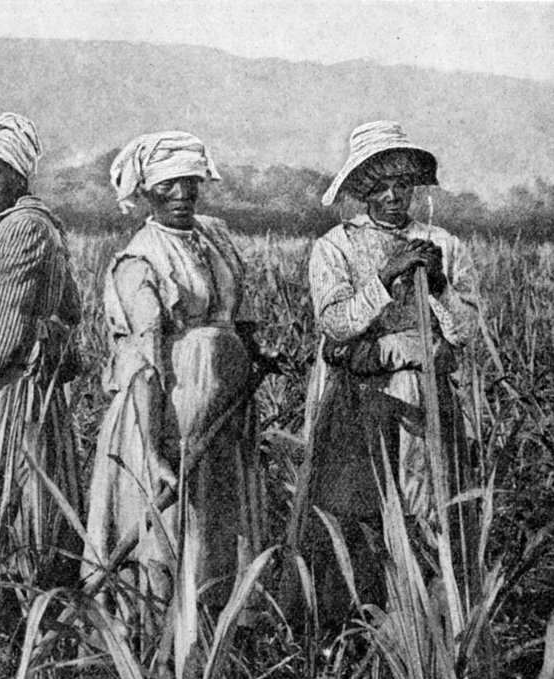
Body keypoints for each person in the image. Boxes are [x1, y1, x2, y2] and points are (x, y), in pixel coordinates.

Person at [83, 131, 263, 618]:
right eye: (167, 186)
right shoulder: (139, 260)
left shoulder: (214, 235)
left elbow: (236, 312)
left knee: (222, 522)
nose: (183, 194)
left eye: (190, 182)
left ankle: (222, 626)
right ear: (145, 191)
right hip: (169, 413)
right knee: (176, 531)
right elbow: (143, 365)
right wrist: (154, 452)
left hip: (226, 407)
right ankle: (163, 633)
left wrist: (251, 352)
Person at [306, 121, 479, 622]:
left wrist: (438, 285)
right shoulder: (336, 247)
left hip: (429, 396)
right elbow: (337, 324)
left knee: (432, 505)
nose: (392, 196)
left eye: (402, 185)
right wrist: (385, 276)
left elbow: (467, 331)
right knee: (363, 508)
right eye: (379, 186)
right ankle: (361, 623)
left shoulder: (443, 243)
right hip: (364, 398)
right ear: (361, 190)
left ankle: (431, 620)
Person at [0, 112, 83, 593]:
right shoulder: (42, 225)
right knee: (37, 481)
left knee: (0, 487)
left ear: (20, 172)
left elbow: (7, 317)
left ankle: (0, 594)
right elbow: (71, 307)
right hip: (33, 382)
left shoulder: (23, 228)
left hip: (14, 385)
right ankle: (32, 587)